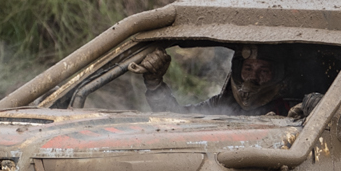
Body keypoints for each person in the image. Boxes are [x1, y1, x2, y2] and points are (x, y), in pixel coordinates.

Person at [132, 45, 311, 116]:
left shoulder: (292, 108)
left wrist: (306, 113)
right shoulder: (222, 104)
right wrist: (154, 84)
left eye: (263, 71)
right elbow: (174, 117)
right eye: (248, 69)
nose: (253, 77)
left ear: (277, 75)